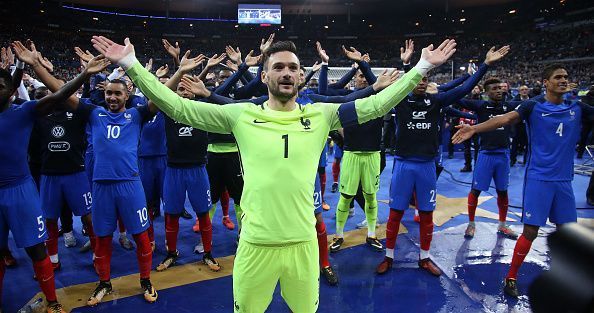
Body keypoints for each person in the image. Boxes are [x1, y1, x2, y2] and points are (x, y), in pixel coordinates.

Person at [92, 35, 456, 313]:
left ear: (301, 76)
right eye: (278, 66)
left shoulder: (322, 115)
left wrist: (420, 68)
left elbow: (377, 104)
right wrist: (132, 65)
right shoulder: (240, 115)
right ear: (265, 74)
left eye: (292, 67)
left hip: (302, 247)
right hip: (255, 248)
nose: (286, 72)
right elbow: (179, 108)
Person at [452, 63, 594, 297]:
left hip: (564, 182)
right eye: (558, 77)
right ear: (545, 83)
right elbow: (505, 119)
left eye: (566, 77)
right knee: (530, 232)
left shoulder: (578, 108)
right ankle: (510, 278)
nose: (563, 80)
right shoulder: (532, 106)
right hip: (538, 180)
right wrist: (474, 129)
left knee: (566, 233)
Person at [375, 45, 510, 276]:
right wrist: (400, 64)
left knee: (426, 213)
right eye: (417, 79)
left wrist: (485, 65)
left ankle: (425, 258)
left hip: (427, 166)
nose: (421, 83)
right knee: (395, 213)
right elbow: (373, 85)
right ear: (410, 81)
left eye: (425, 79)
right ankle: (388, 256)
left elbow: (466, 88)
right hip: (403, 164)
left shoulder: (437, 101)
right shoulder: (399, 100)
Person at [1, 43, 108, 313]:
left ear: (10, 92)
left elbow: (59, 93)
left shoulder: (24, 112)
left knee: (37, 250)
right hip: (43, 178)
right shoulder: (22, 107)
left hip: (21, 190)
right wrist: (19, 69)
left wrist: (84, 75)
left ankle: (52, 302)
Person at [456, 77, 523, 240]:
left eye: (500, 87)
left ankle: (502, 225)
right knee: (476, 191)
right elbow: (456, 98)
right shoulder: (481, 105)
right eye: (494, 88)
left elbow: (533, 104)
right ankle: (471, 224)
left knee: (503, 191)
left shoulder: (510, 106)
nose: (499, 90)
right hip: (485, 155)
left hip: (503, 155)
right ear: (486, 92)